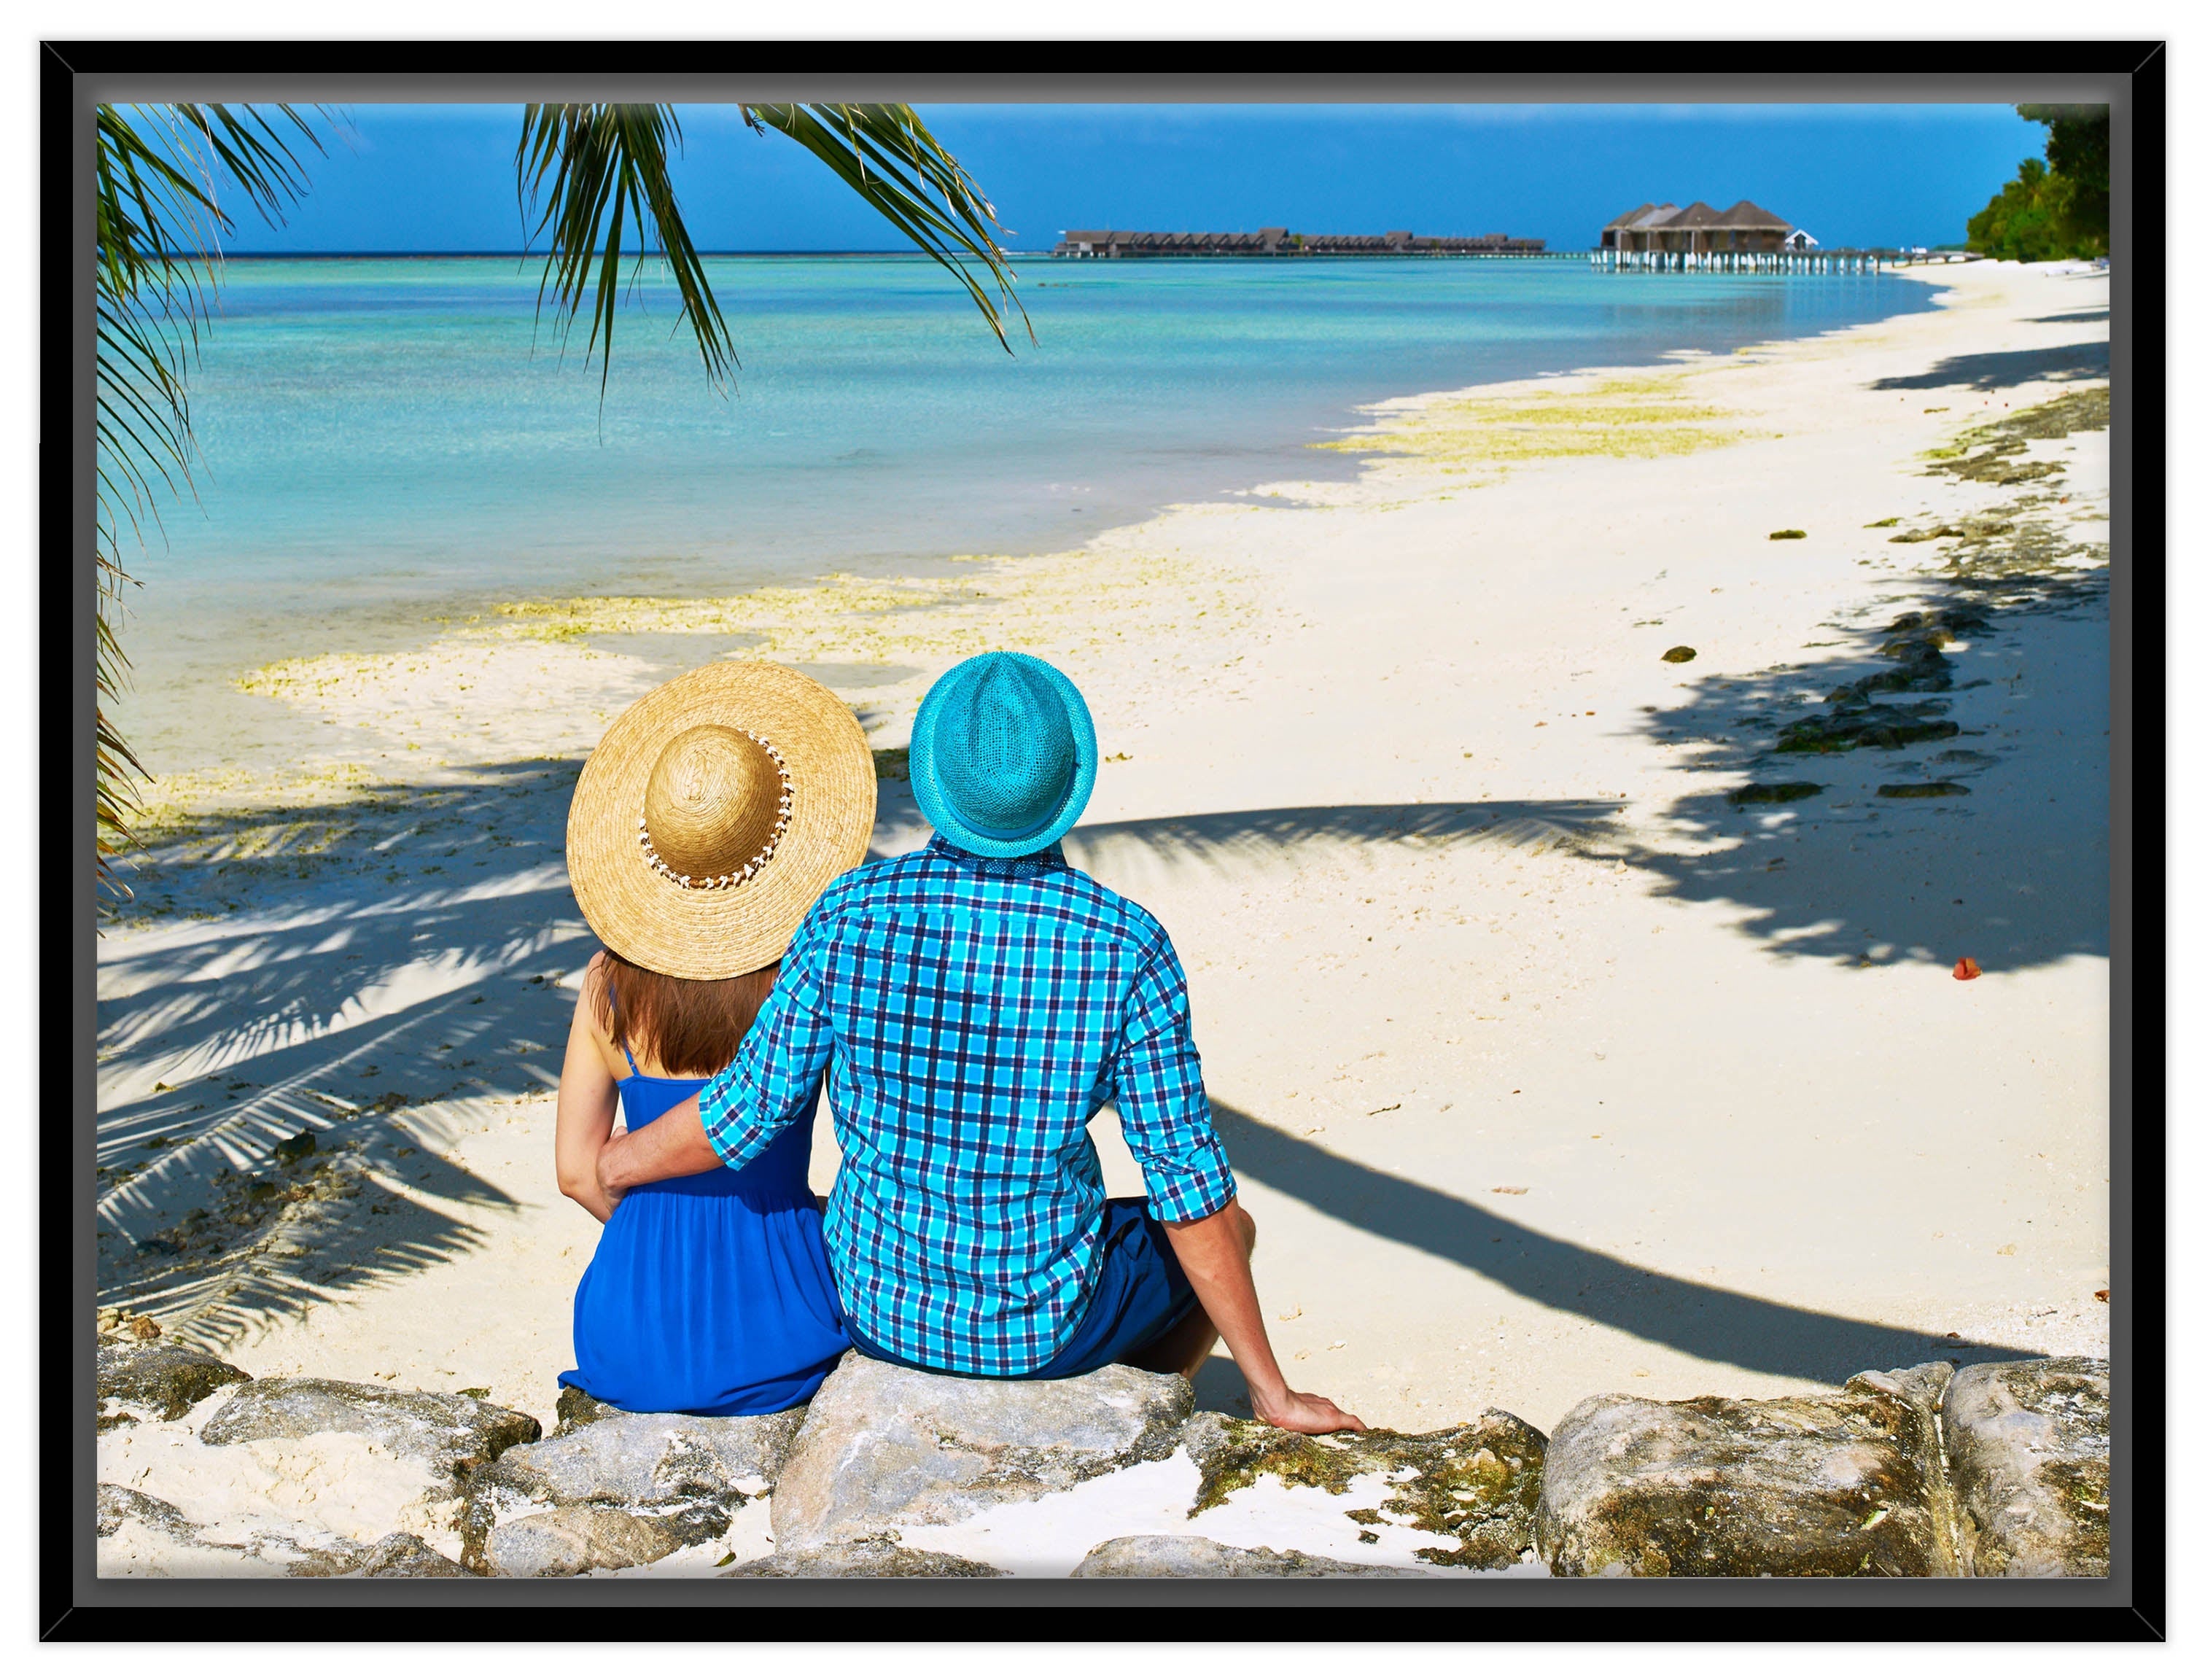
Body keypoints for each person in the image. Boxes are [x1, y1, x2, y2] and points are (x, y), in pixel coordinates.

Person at [594, 650, 1363, 1435]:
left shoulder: (848, 911)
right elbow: (1186, 1185)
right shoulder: (1127, 945)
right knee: (1235, 1228)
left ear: (935, 780)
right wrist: (1272, 1392)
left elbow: (750, 1107)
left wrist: (618, 1162)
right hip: (1041, 1329)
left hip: (877, 1307)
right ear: (1068, 784)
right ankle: (1145, 1410)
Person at [552, 659, 878, 1415]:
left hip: (628, 1331)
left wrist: (661, 1232)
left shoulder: (605, 984)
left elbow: (575, 1174)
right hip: (779, 1322)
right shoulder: (803, 977)